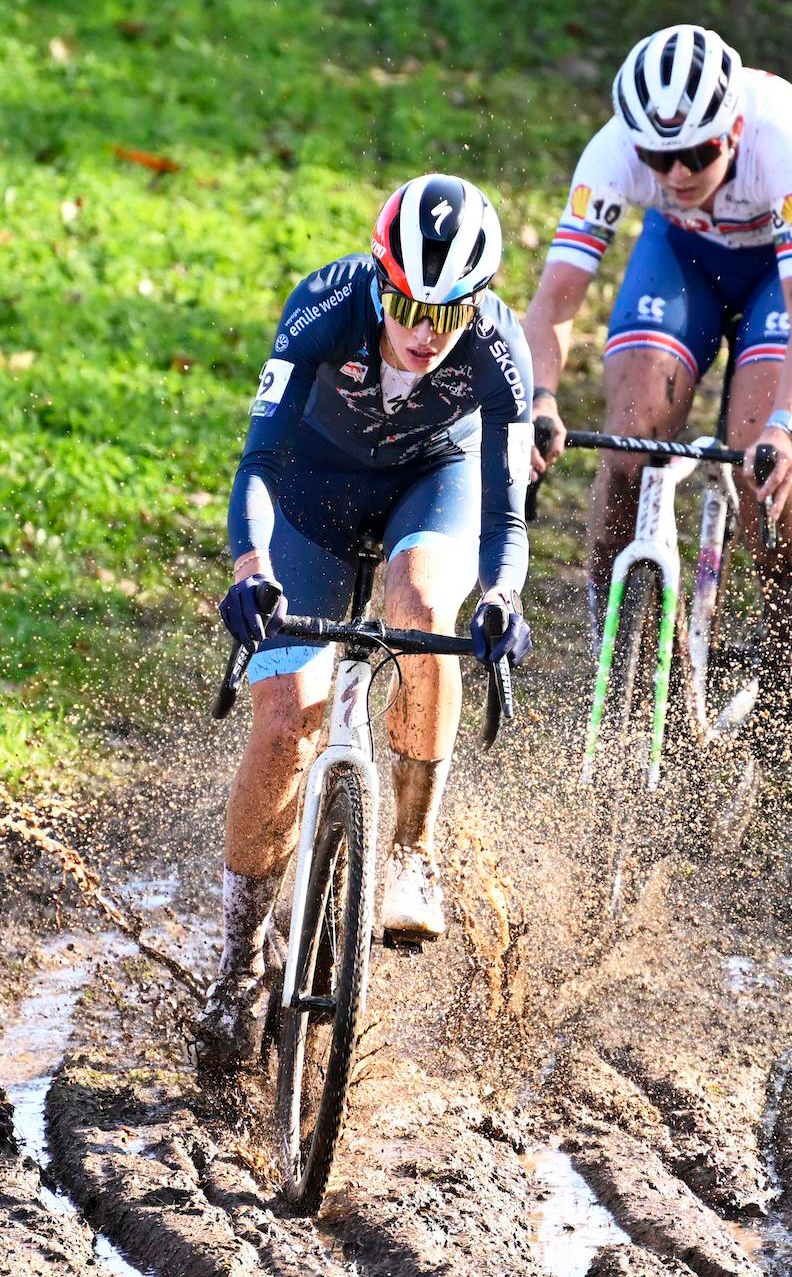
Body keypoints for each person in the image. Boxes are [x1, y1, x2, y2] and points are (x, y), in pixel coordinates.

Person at [196, 173, 535, 1070]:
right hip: (308, 499)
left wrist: (501, 595)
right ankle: (237, 965)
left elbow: (505, 515)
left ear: (480, 305)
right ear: (377, 279)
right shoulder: (321, 306)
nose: (424, 331)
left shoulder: (500, 351)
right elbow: (259, 460)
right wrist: (252, 568)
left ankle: (413, 848)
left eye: (449, 315)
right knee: (285, 722)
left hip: (431, 489)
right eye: (405, 303)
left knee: (425, 611)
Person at [522, 23, 792, 757]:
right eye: (658, 157)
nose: (675, 174)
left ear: (733, 129)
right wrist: (541, 398)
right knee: (629, 444)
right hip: (681, 260)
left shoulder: (785, 137)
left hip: (782, 271)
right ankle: (619, 653)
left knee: (752, 454)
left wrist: (785, 431)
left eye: (698, 154)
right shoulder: (613, 152)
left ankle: (785, 625)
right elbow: (553, 305)